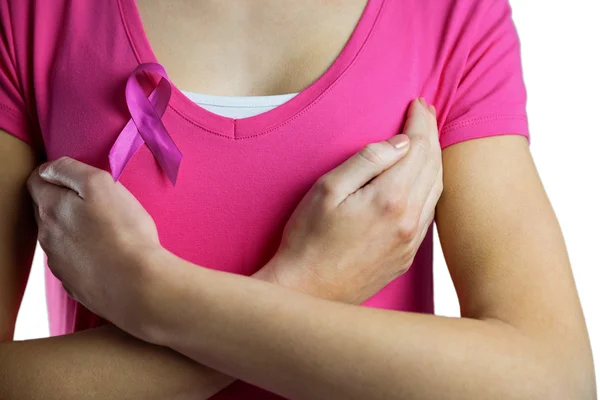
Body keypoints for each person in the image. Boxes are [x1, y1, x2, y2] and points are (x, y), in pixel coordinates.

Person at [0, 0, 595, 399]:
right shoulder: (29, 13)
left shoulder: (448, 14)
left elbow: (552, 379)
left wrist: (154, 294)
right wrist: (309, 283)